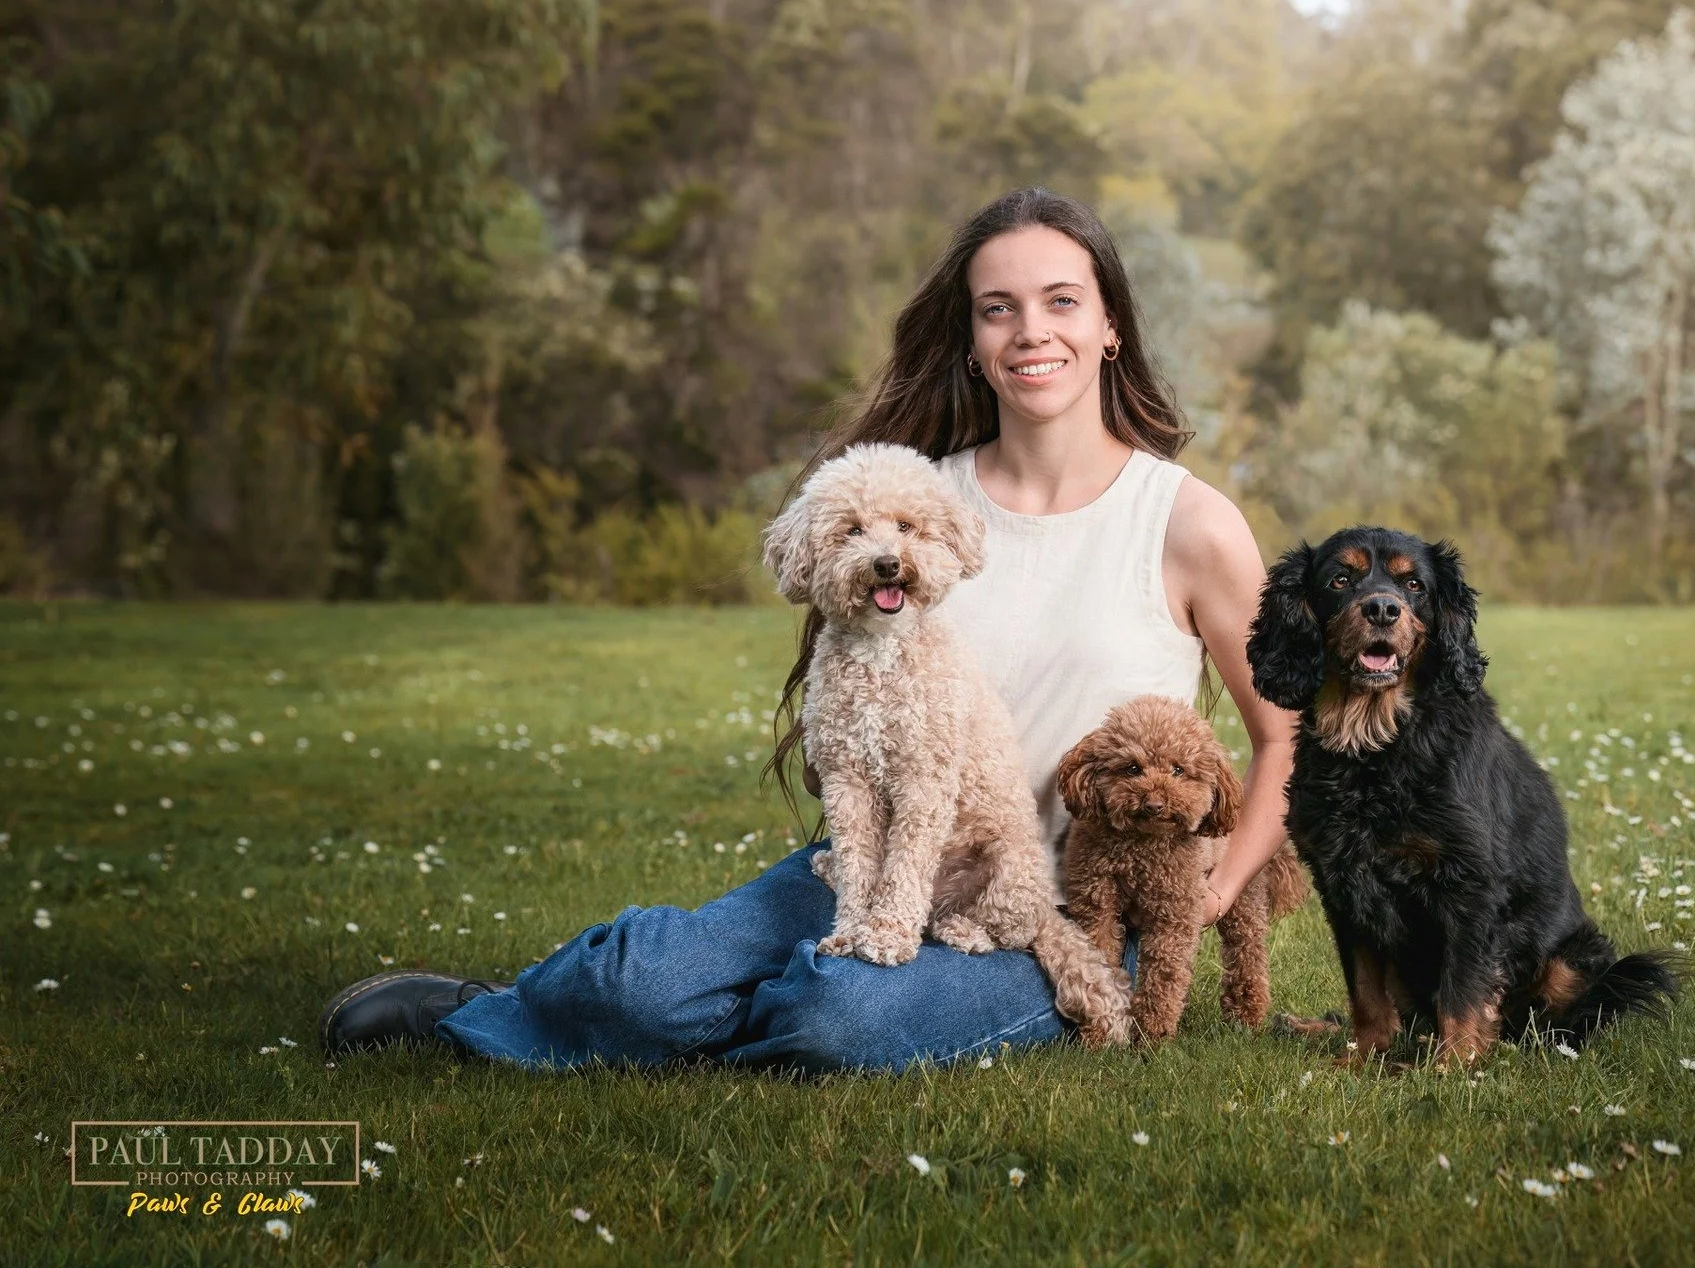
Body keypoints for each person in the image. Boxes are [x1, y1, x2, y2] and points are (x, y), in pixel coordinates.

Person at [317, 187, 1299, 1072]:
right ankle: (509, 1009)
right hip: (885, 864)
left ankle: (706, 1015)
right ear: (970, 339)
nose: (1030, 330)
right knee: (642, 983)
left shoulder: (1187, 524)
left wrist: (1212, 894)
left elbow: (1283, 736)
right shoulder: (910, 502)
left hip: (1071, 906)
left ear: (1110, 325)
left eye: (1061, 301)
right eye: (998, 308)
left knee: (841, 1019)